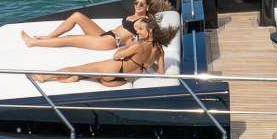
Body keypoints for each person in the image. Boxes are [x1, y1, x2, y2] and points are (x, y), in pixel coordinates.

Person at [39, 16, 176, 86]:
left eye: (140, 29)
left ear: (150, 31)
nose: (138, 32)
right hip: (122, 79)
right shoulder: (159, 49)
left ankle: (44, 77)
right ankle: (79, 77)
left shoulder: (138, 45)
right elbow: (161, 71)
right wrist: (147, 63)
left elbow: (117, 56)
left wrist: (126, 47)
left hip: (115, 70)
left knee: (79, 68)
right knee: (97, 73)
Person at [22, 0, 172, 50]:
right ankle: (49, 37)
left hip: (110, 42)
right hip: (105, 35)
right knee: (77, 15)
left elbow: (145, 37)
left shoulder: (143, 21)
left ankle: (33, 43)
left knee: (69, 39)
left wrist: (130, 45)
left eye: (141, 4)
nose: (137, 6)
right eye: (136, 3)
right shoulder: (133, 15)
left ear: (147, 7)